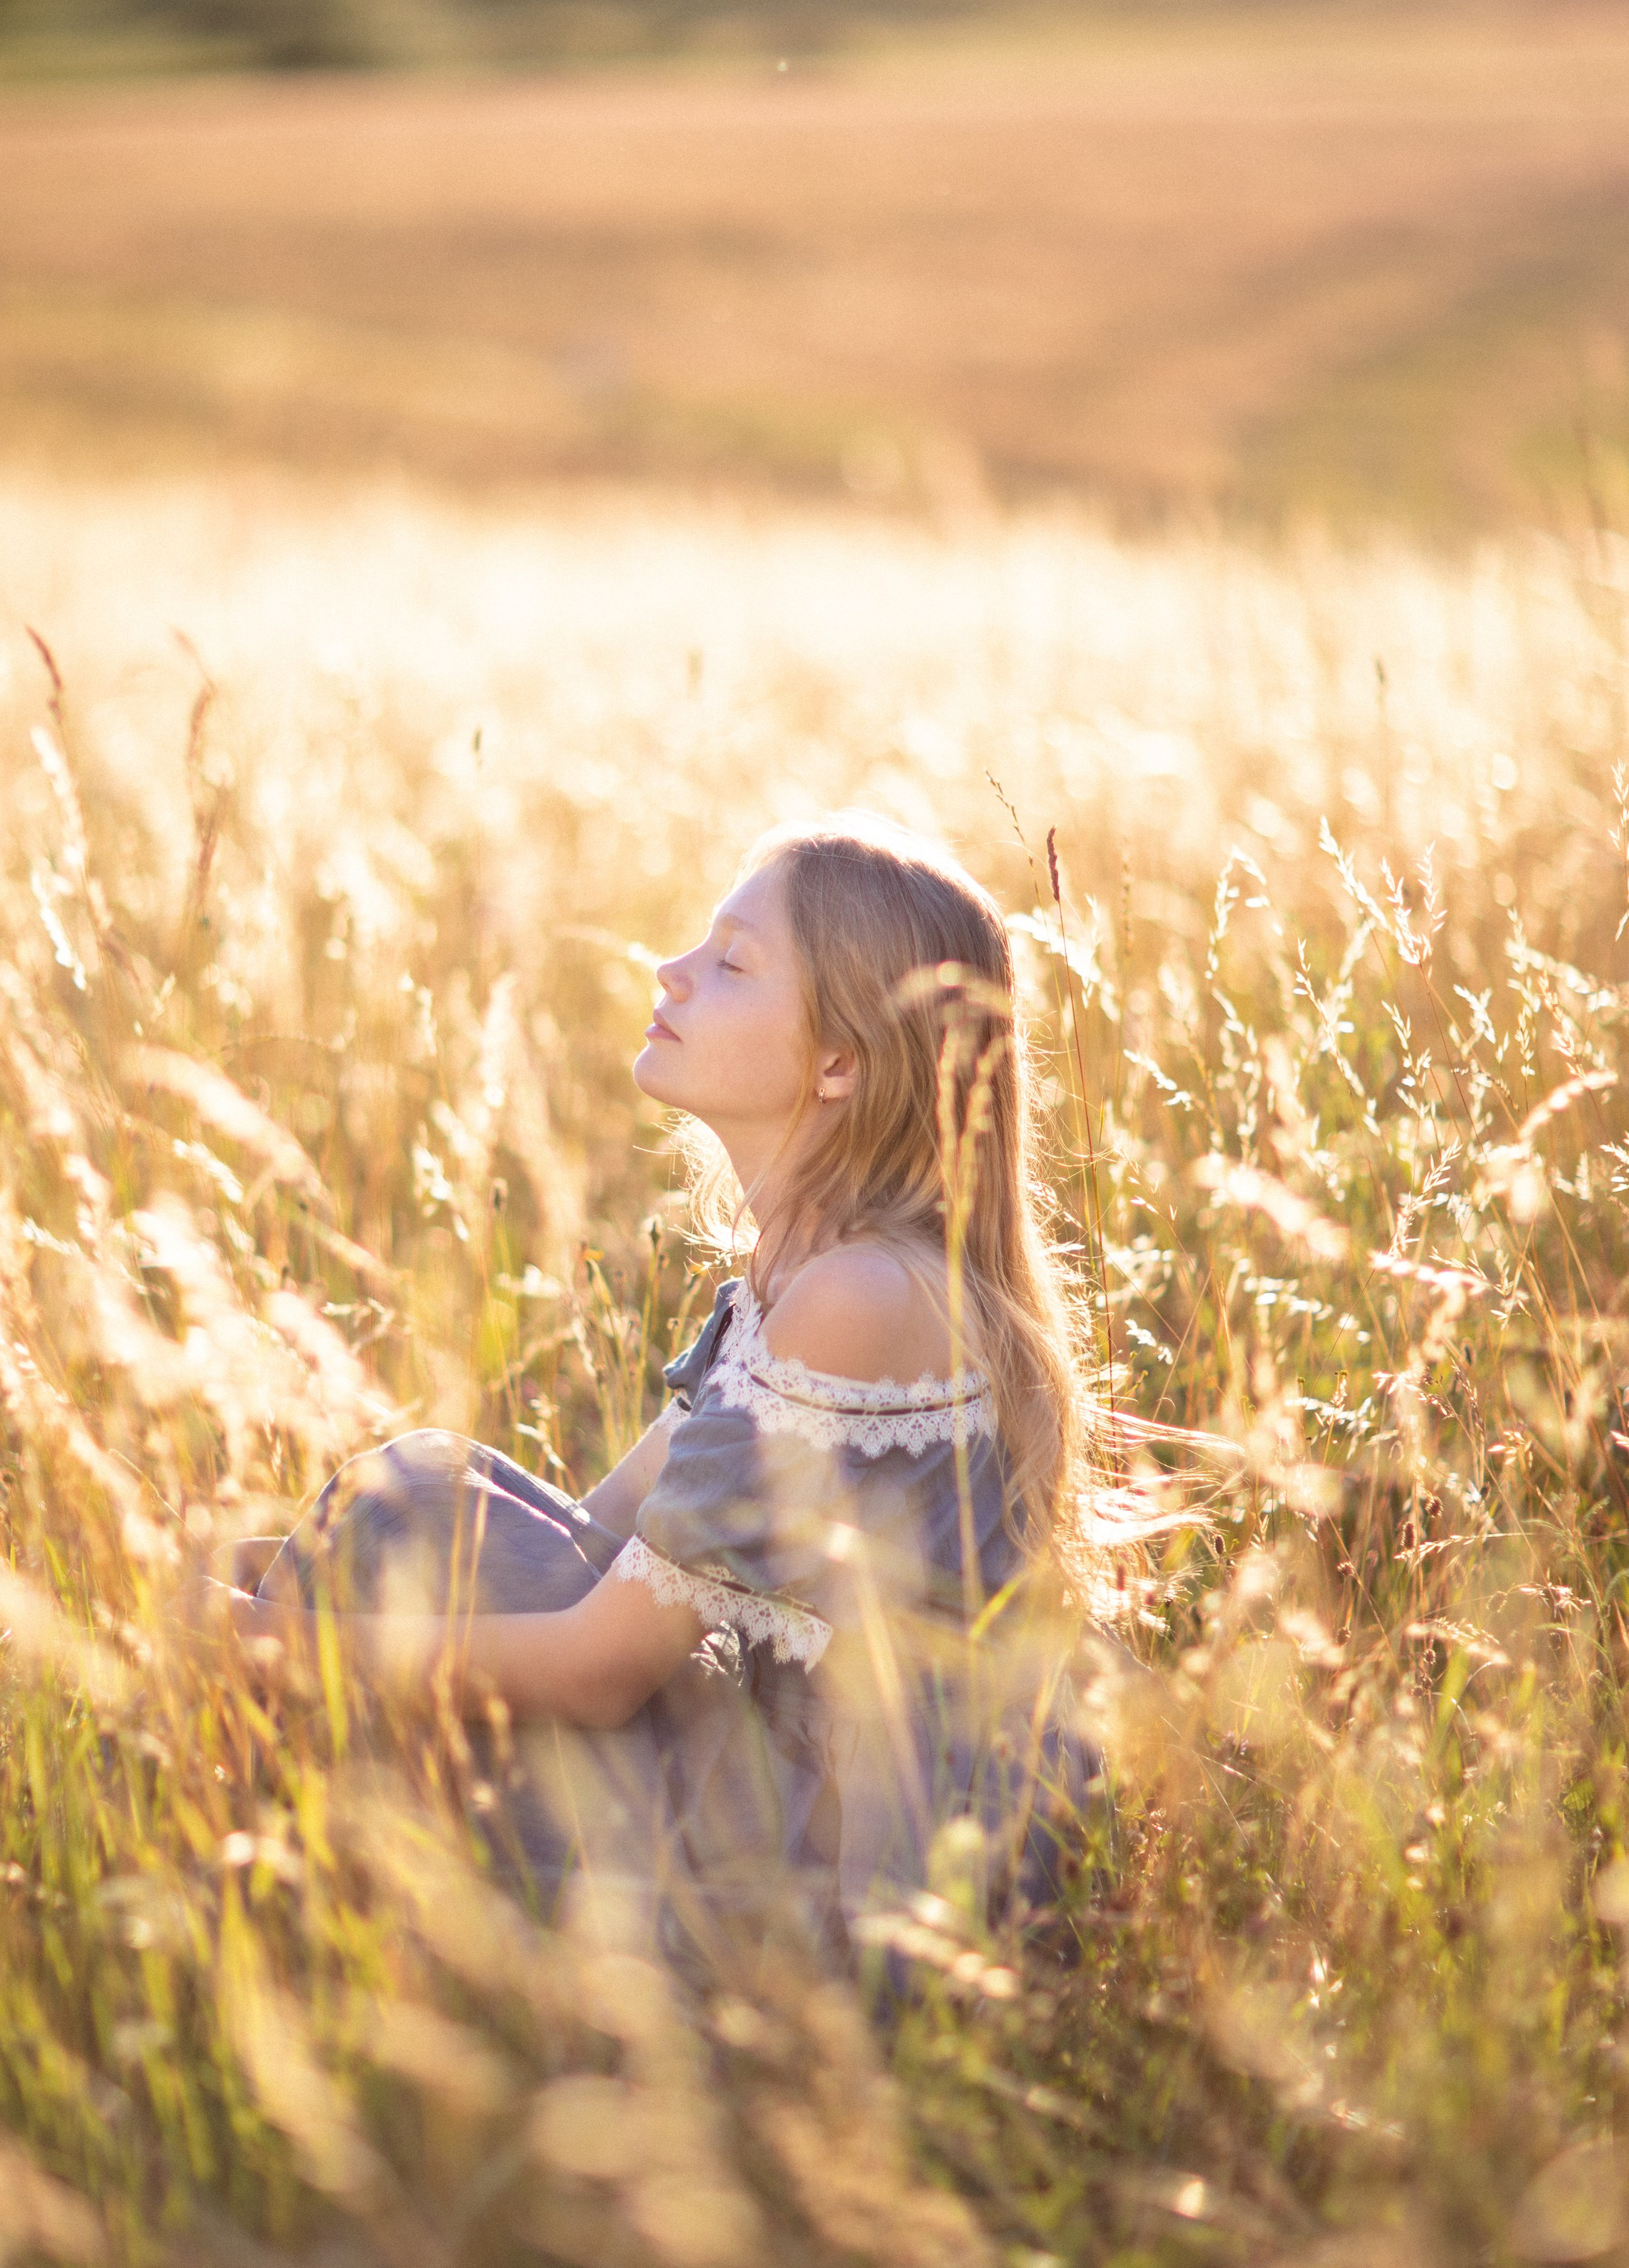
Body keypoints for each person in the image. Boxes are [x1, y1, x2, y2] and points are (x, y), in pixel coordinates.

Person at [233, 813, 1095, 1961]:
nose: (670, 971)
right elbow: (590, 1535)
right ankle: (274, 1919)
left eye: (732, 964)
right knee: (409, 1508)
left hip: (869, 1892)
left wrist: (263, 1643)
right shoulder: (794, 1280)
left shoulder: (864, 1297)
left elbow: (598, 1667)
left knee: (410, 1505)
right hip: (775, 1789)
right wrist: (270, 1585)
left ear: (840, 1062)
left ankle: (251, 1924)